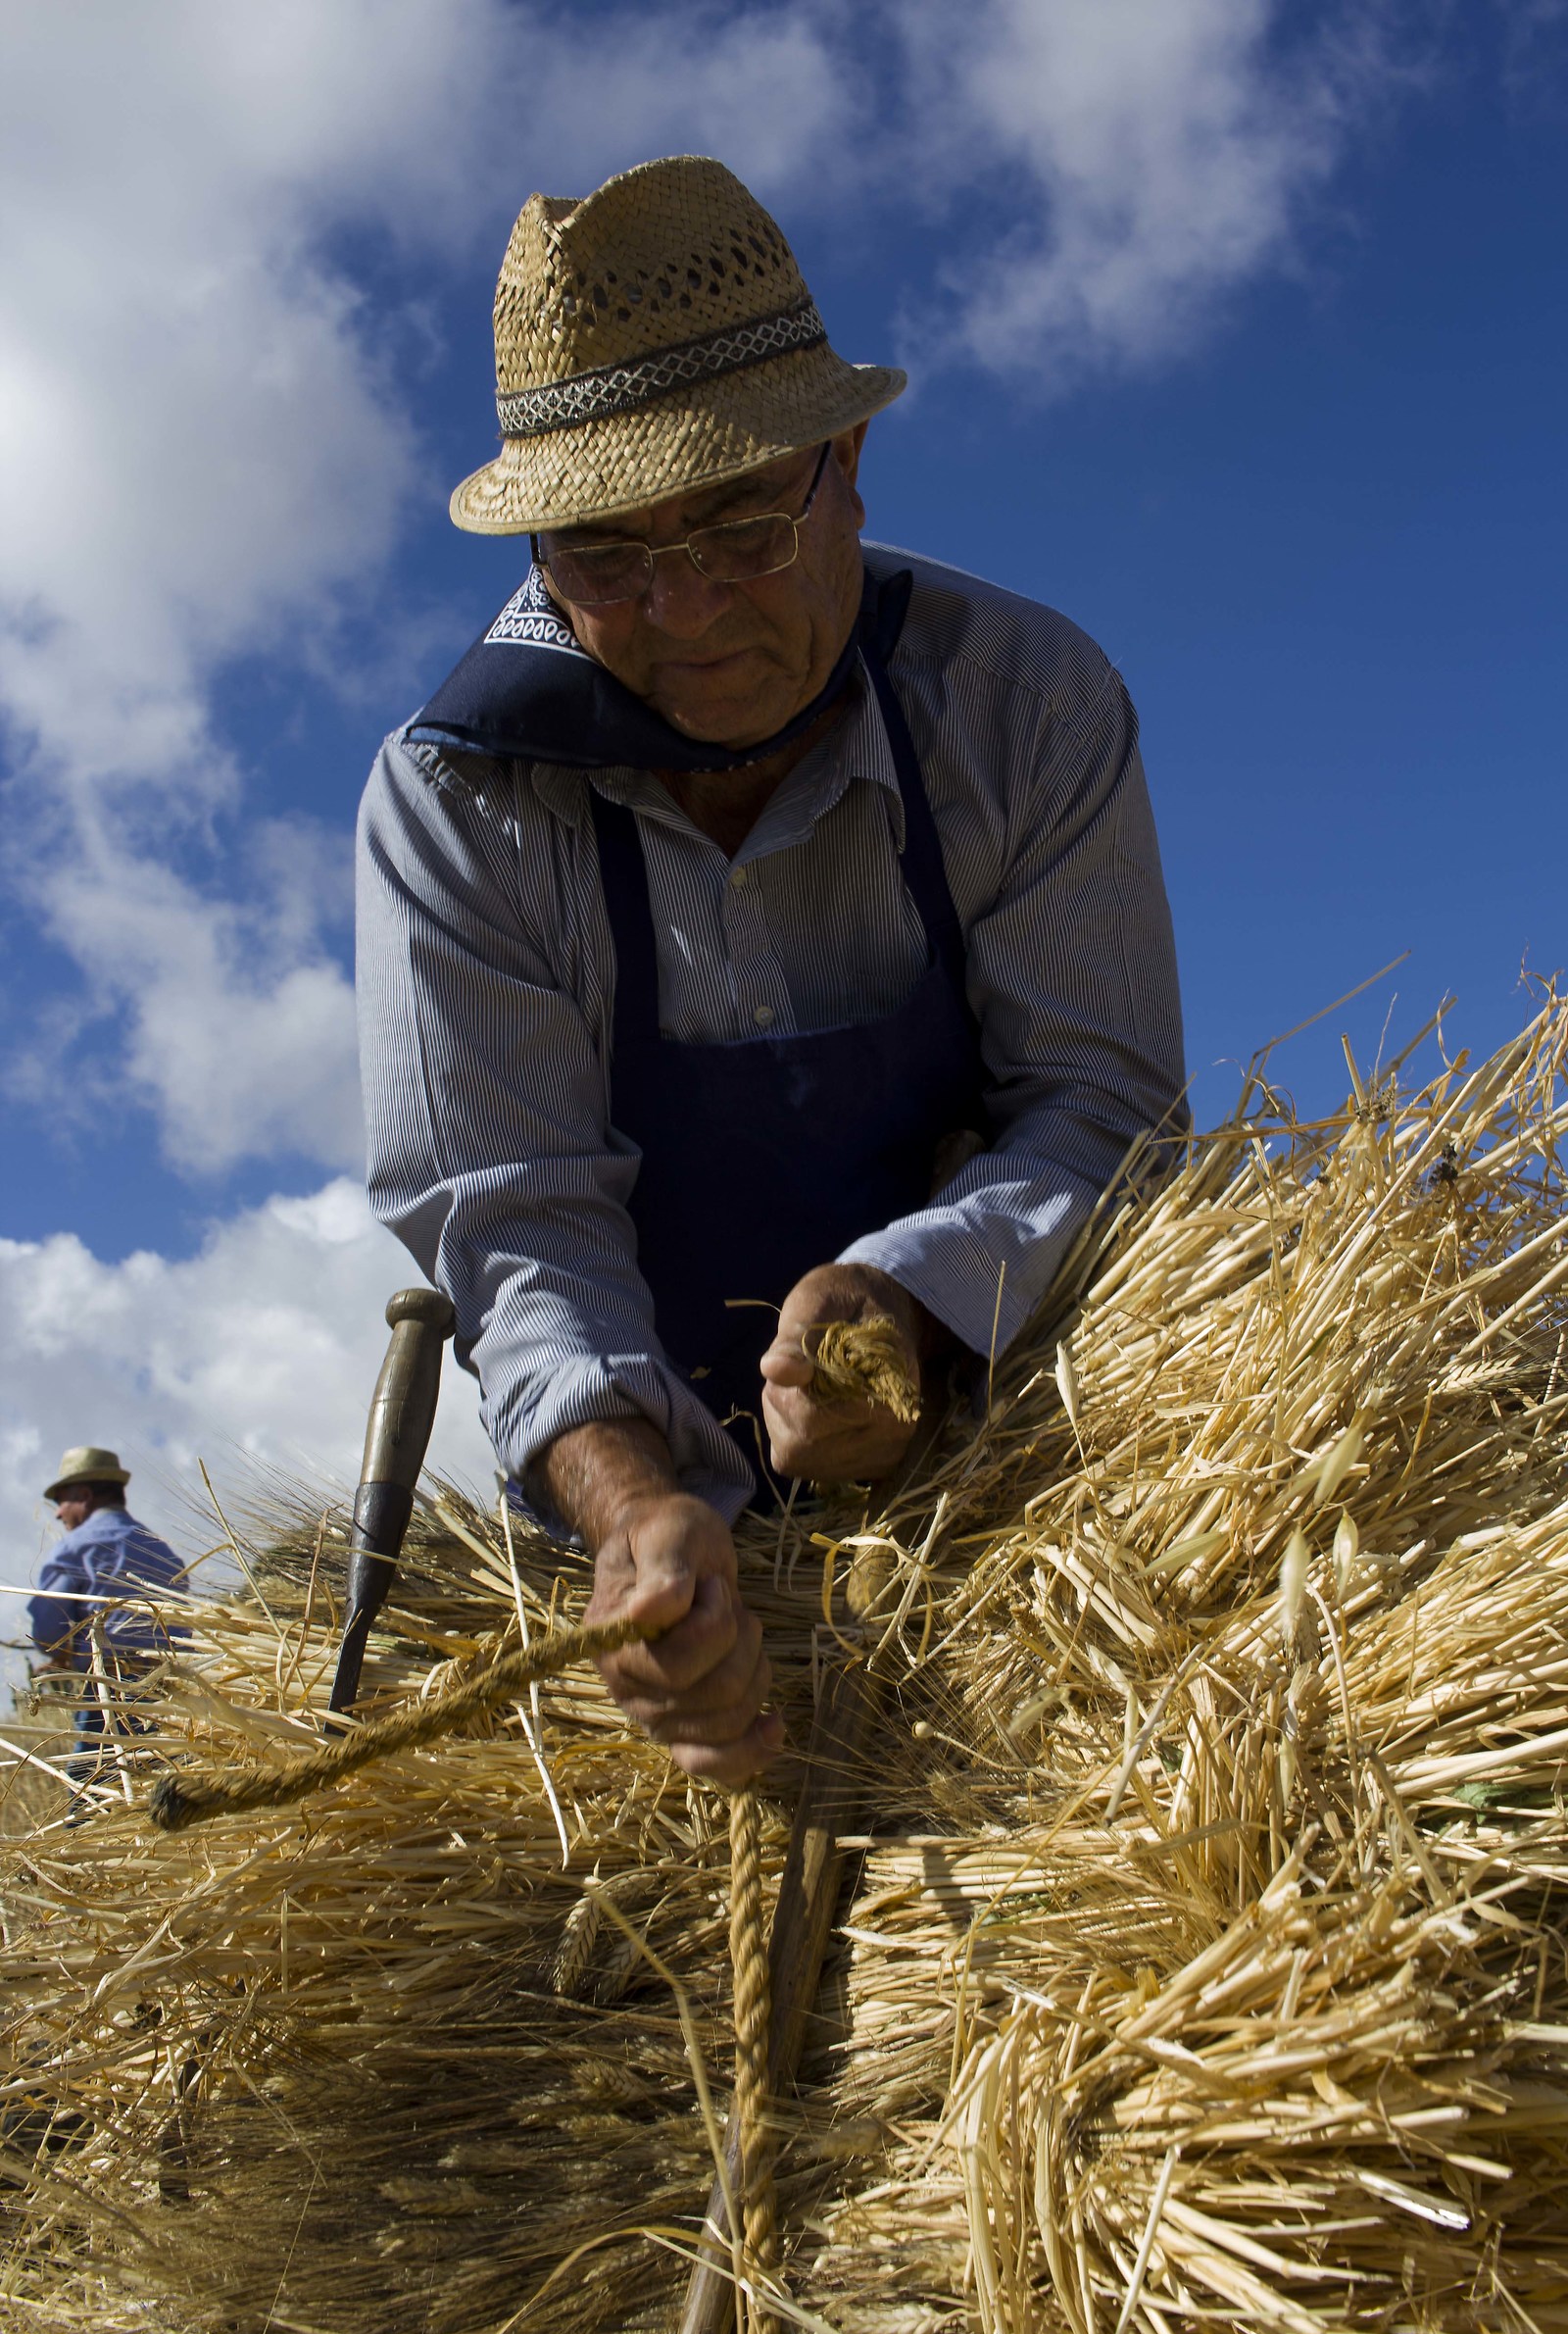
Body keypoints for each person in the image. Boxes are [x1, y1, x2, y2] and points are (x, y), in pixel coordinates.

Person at [358, 156, 1184, 1787]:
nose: (686, 613)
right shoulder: (455, 800)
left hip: (1006, 1475)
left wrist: (929, 1303)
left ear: (847, 461)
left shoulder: (1017, 704)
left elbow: (1106, 1101)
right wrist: (631, 1503)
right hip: (638, 1538)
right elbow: (513, 1216)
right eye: (603, 558)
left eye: (740, 521)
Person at [28, 1448, 187, 1787]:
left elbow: (45, 1632)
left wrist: (63, 1651)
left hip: (111, 1700)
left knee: (90, 1805)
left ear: (83, 1495)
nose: (58, 1514)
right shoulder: (165, 1553)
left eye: (61, 1501)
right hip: (179, 1701)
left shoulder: (74, 1549)